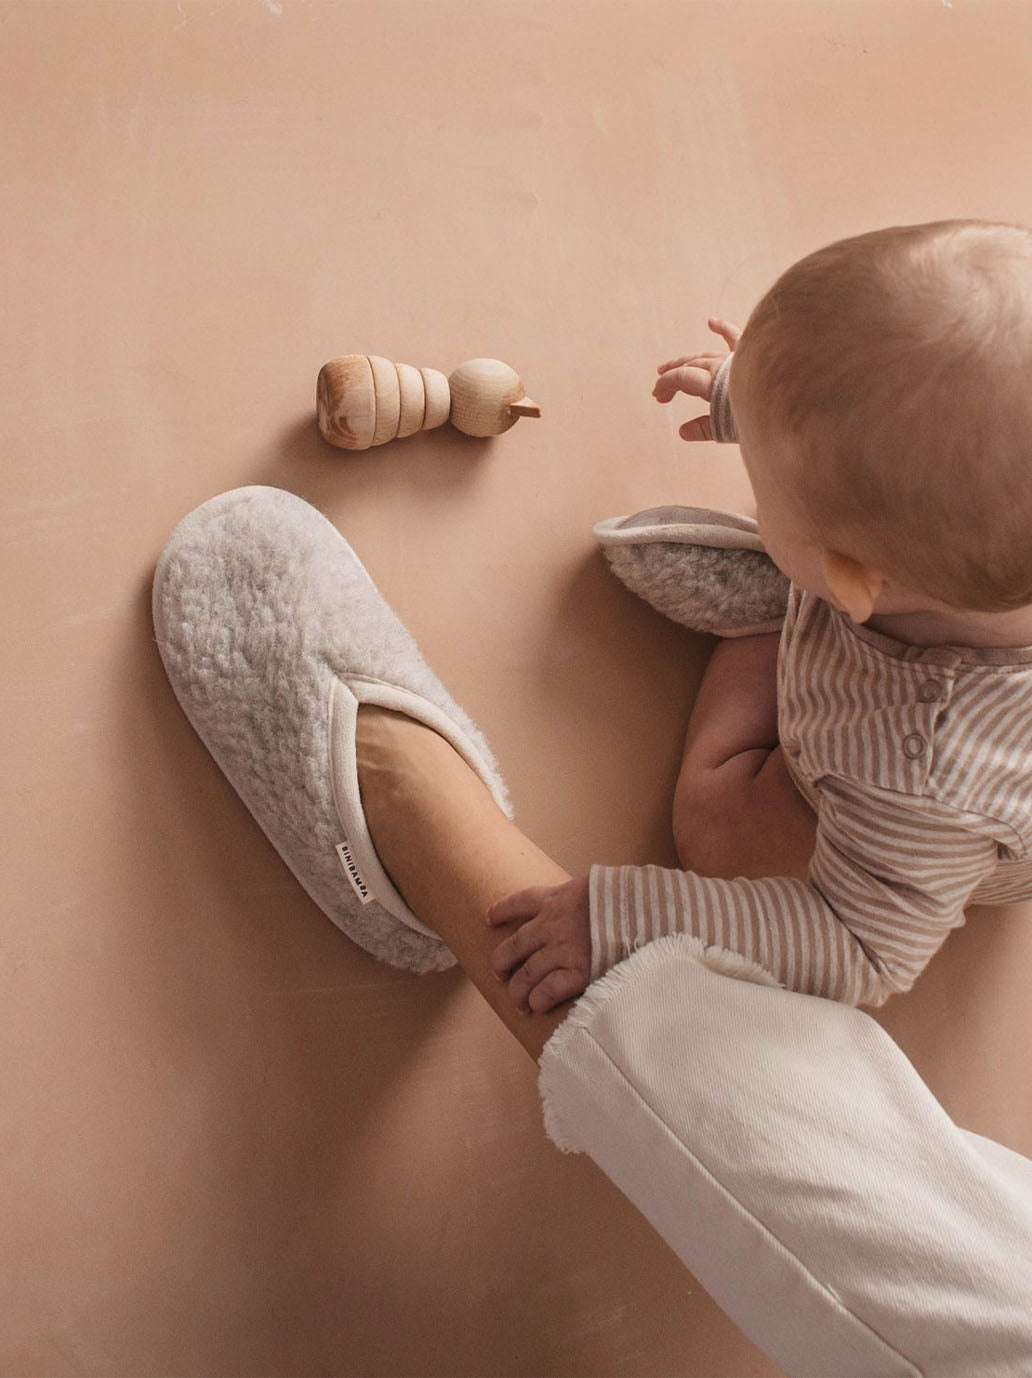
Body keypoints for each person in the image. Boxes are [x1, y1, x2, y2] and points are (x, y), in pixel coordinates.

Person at [488, 219, 1032, 1017]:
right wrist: (767, 398)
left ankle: (763, 621)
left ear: (854, 583)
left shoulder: (919, 781)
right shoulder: (983, 525)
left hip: (913, 834)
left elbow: (858, 951)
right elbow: (920, 403)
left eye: (763, 484)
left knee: (716, 826)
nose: (752, 483)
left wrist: (628, 918)